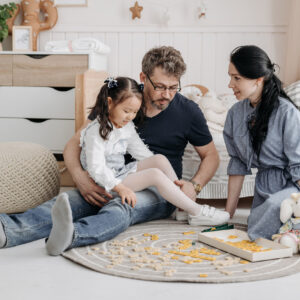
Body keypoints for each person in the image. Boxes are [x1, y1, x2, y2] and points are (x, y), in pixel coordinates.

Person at [0, 46, 228, 253]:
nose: (166, 95)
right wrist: (81, 178)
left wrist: (194, 185)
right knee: (69, 201)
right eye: (159, 87)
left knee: (122, 207)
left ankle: (72, 235)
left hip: (159, 189)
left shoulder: (188, 111)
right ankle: (7, 229)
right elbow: (74, 143)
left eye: (173, 87)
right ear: (143, 78)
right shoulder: (121, 100)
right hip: (110, 178)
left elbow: (210, 156)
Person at [224, 45, 300, 240]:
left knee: (274, 210)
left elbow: (298, 165)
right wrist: (228, 214)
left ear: (258, 79)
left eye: (236, 78)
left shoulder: (287, 113)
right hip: (263, 186)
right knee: (259, 220)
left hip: (292, 188)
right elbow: (238, 163)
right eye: (230, 77)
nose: (230, 84)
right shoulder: (235, 114)